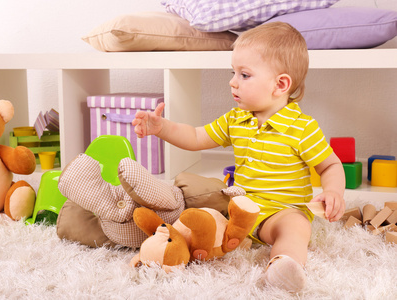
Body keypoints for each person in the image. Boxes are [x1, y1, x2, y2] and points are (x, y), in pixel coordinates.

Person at [132, 21, 345, 292]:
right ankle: (170, 247)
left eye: (244, 75)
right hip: (239, 210)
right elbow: (197, 137)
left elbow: (330, 165)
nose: (233, 82)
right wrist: (162, 128)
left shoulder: (302, 128)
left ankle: (284, 264)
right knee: (202, 212)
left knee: (295, 228)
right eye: (233, 72)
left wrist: (334, 191)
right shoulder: (236, 119)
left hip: (280, 213)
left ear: (280, 84)